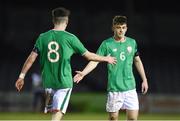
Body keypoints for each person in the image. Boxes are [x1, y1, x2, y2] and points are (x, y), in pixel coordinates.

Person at [15, 7, 117, 121]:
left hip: (48, 82)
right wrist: (106, 58)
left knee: (55, 113)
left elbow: (31, 58)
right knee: (57, 114)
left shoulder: (42, 37)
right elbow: (89, 56)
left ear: (53, 20)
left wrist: (21, 76)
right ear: (67, 21)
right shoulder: (70, 38)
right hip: (63, 83)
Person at [74, 15, 148, 121]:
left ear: (126, 28)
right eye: (118, 27)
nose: (121, 30)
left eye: (123, 27)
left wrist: (144, 80)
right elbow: (95, 61)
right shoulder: (106, 44)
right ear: (113, 28)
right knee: (113, 118)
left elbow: (137, 61)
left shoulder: (132, 42)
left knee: (132, 118)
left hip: (130, 88)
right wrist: (83, 73)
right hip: (114, 89)